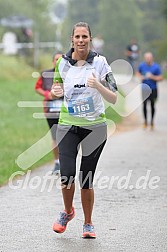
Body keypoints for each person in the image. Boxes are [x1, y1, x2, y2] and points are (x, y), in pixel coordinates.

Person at [51, 22, 117, 238]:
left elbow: (114, 97)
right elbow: (56, 90)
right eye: (77, 37)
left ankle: (88, 224)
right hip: (68, 125)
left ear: (90, 39)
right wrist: (55, 91)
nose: (80, 40)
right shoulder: (62, 63)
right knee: (66, 175)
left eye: (84, 37)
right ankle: (67, 212)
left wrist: (98, 85)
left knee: (86, 178)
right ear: (72, 39)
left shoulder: (101, 63)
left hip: (94, 128)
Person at [35, 52, 63, 174]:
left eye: (60, 59)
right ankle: (57, 163)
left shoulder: (70, 74)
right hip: (50, 110)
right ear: (53, 61)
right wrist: (47, 94)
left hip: (67, 110)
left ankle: (67, 162)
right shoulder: (45, 74)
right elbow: (37, 87)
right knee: (55, 137)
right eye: (56, 59)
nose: (58, 62)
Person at [136, 52, 163, 129]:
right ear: (145, 58)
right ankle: (145, 122)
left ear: (152, 58)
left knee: (152, 105)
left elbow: (160, 78)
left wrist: (152, 77)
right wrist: (140, 76)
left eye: (149, 58)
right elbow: (138, 73)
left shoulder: (156, 67)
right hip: (144, 89)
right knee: (144, 105)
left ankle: (152, 121)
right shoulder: (142, 65)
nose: (148, 59)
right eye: (146, 58)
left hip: (153, 89)